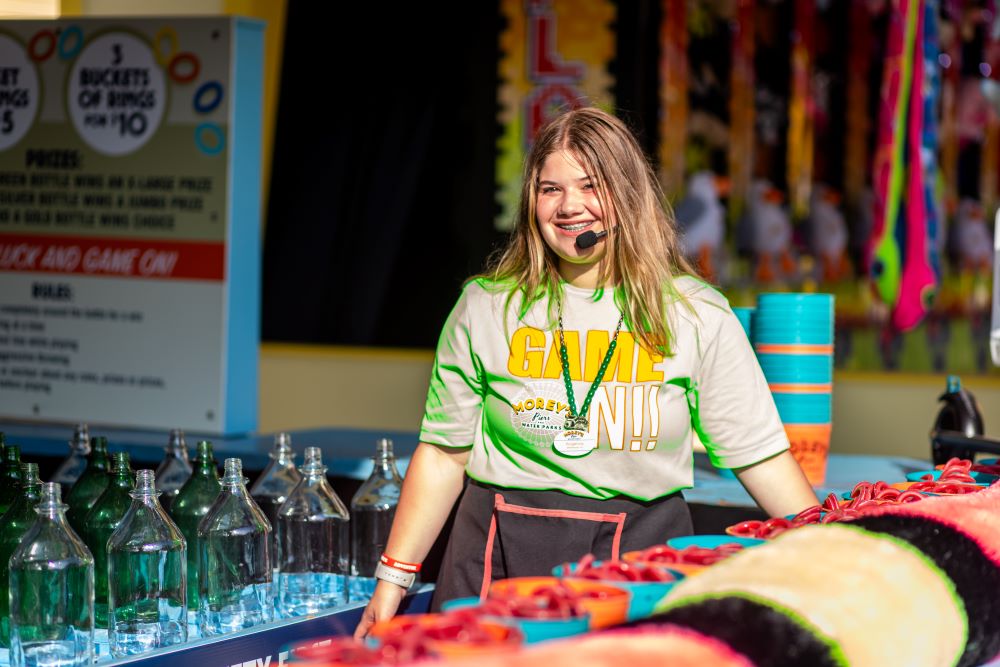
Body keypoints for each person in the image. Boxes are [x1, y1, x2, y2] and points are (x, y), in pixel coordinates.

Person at [354, 107, 818, 638]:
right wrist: (392, 581)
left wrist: (831, 550)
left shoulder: (696, 313)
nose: (569, 206)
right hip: (496, 556)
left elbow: (758, 454)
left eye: (590, 185)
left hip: (640, 559)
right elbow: (442, 456)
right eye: (550, 189)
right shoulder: (486, 306)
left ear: (628, 194)